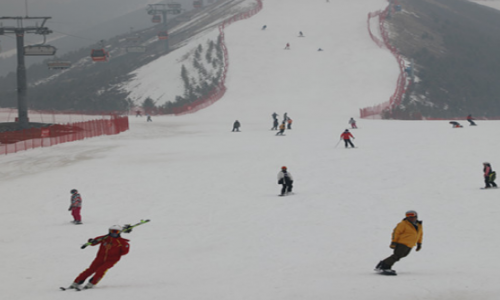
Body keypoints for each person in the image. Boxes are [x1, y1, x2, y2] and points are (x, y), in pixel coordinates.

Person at [68, 225, 131, 290]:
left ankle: (92, 283)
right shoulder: (104, 238)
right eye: (112, 231)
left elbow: (124, 253)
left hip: (112, 260)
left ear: (119, 232)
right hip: (100, 258)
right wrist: (92, 241)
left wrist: (124, 246)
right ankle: (76, 282)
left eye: (116, 231)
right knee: (90, 270)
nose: (114, 233)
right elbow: (94, 242)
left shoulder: (121, 242)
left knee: (101, 270)